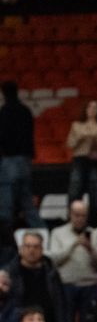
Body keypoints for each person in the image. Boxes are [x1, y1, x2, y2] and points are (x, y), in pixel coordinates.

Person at [3, 232, 71, 322]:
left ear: (42, 249)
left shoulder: (52, 273)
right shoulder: (9, 273)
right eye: (27, 246)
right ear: (21, 249)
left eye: (35, 247)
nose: (31, 250)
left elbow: (61, 304)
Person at [47, 199, 97, 322]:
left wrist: (90, 248)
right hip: (66, 285)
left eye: (83, 215)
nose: (80, 219)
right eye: (76, 215)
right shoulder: (57, 233)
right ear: (70, 214)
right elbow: (54, 260)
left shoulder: (95, 234)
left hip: (90, 285)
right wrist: (73, 245)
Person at [0, 80, 37, 234]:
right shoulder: (25, 110)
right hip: (26, 161)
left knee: (6, 206)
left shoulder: (4, 112)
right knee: (27, 204)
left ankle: (5, 241)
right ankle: (42, 233)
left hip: (10, 160)